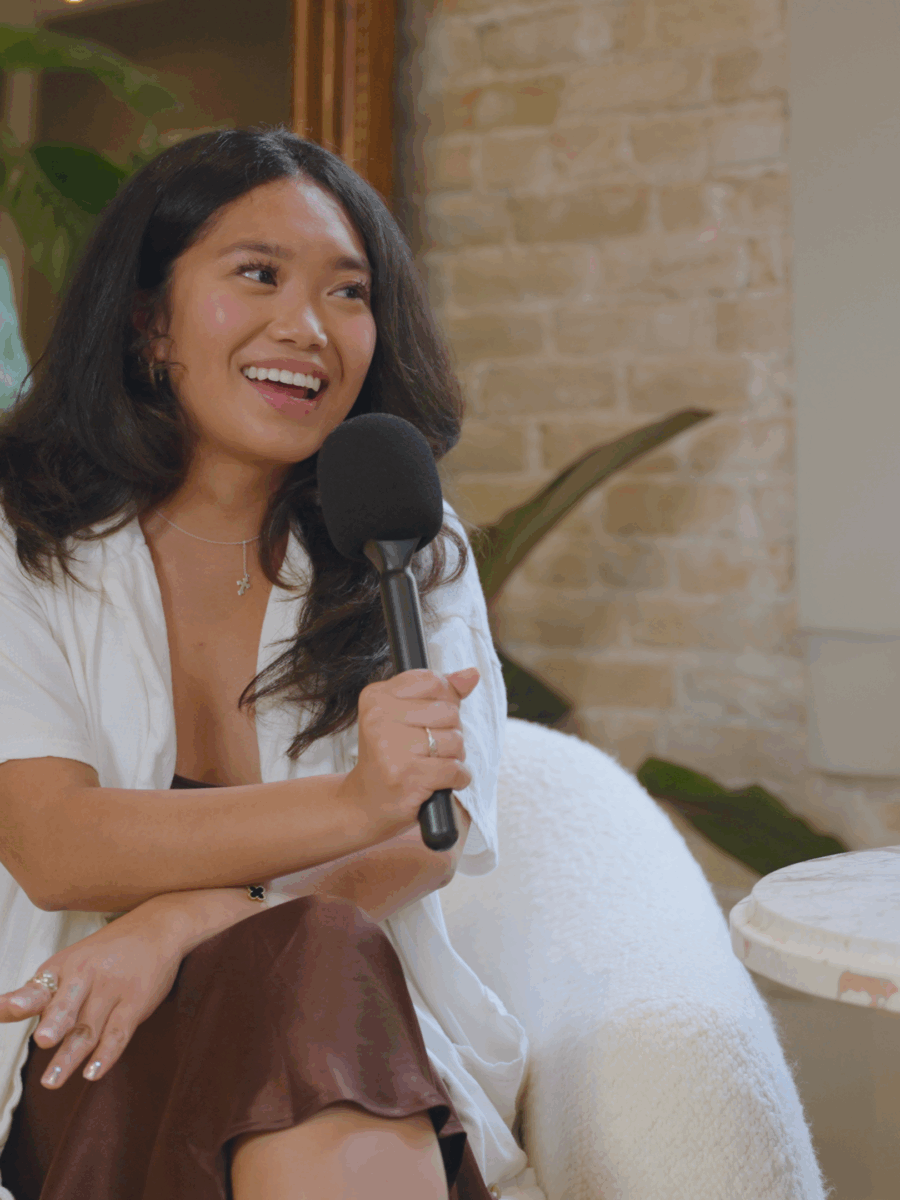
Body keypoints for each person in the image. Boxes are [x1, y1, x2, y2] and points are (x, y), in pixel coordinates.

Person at [0, 127, 534, 1199]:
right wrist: (354, 801)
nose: (308, 327)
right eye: (257, 275)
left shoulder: (410, 544)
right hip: (88, 1040)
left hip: (354, 1040)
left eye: (348, 293)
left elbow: (432, 838)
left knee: (319, 956)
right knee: (301, 957)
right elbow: (53, 843)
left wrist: (188, 916)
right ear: (150, 322)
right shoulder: (23, 535)